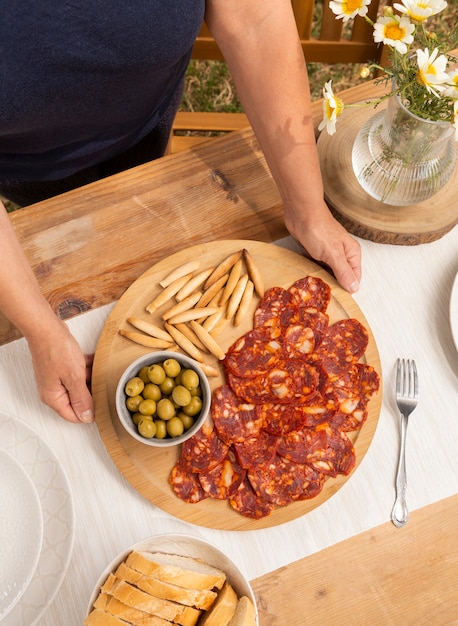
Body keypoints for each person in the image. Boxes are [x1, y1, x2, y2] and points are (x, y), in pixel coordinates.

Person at [0, 1, 361, 424]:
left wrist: (308, 209)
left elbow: (255, 20)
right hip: (26, 164)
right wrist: (40, 327)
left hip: (147, 129)